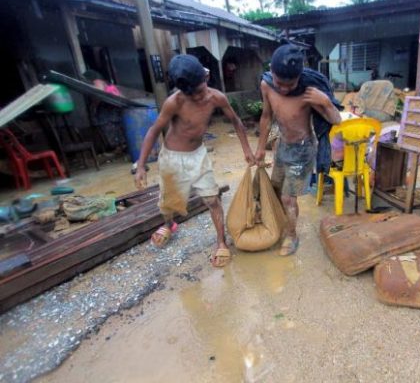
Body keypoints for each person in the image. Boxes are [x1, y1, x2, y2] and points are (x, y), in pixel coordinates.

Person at [134, 55, 255, 267]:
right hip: (171, 158)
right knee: (169, 201)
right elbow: (153, 131)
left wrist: (246, 149)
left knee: (212, 199)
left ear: (206, 77)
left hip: (198, 156)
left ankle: (221, 242)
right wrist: (141, 165)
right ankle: (169, 225)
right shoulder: (174, 102)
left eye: (201, 90)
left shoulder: (217, 97)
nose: (199, 97)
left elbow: (236, 122)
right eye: (192, 94)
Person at [255, 44, 342, 256]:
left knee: (287, 198)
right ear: (271, 72)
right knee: (276, 188)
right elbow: (266, 116)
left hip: (302, 151)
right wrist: (260, 148)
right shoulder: (267, 86)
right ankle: (278, 222)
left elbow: (336, 120)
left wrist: (326, 102)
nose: (284, 89)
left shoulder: (309, 92)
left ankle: (292, 235)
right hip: (282, 147)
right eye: (279, 83)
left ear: (300, 76)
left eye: (290, 84)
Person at [83, 70, 125, 152]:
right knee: (116, 128)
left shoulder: (96, 82)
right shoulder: (105, 82)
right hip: (114, 109)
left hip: (107, 110)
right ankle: (121, 145)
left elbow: (98, 95)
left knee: (110, 129)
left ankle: (118, 147)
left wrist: (93, 107)